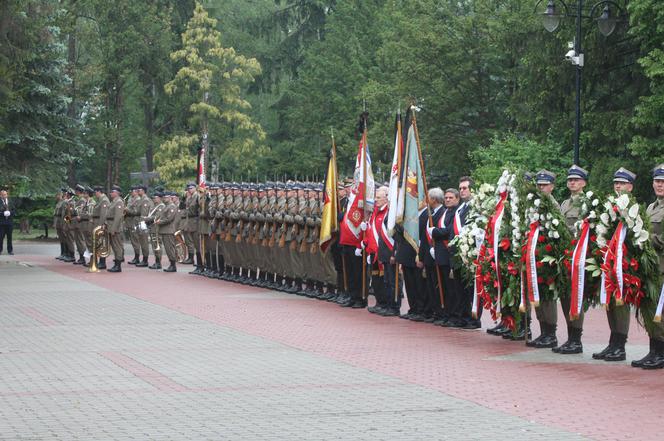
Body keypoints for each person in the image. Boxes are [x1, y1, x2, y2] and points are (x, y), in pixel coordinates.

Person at [592, 167, 637, 362]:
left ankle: (621, 345)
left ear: (630, 186)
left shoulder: (633, 208)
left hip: (625, 263)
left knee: (621, 302)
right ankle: (613, 342)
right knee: (610, 300)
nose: (618, 186)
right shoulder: (611, 208)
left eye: (622, 183)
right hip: (610, 261)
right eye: (616, 183)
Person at [554, 165, 589, 354]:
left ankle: (576, 339)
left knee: (576, 296)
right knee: (566, 296)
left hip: (577, 255)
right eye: (570, 180)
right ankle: (570, 337)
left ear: (583, 183)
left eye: (576, 180)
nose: (572, 183)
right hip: (564, 255)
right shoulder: (565, 203)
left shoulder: (586, 203)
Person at [633, 164, 664, 369]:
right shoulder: (652, 207)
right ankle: (653, 350)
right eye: (657, 181)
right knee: (650, 309)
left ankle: (661, 353)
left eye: (663, 182)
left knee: (660, 311)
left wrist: (645, 238)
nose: (660, 185)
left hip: (662, 266)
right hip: (650, 267)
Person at [526, 170, 561, 348]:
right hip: (534, 256)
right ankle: (543, 331)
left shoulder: (553, 205)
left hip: (548, 256)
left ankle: (551, 333)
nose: (541, 188)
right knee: (537, 293)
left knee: (548, 296)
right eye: (539, 185)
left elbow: (557, 232)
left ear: (552, 186)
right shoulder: (534, 205)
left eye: (544, 185)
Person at [156, 191, 178, 273]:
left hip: (168, 230)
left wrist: (160, 222)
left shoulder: (171, 206)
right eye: (164, 197)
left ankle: (173, 265)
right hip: (165, 230)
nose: (164, 199)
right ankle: (171, 264)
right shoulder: (167, 206)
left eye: (166, 197)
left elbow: (169, 218)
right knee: (168, 248)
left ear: (169, 197)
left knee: (170, 248)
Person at [106, 185, 126, 273]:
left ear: (117, 193)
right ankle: (116, 264)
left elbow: (118, 217)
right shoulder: (114, 201)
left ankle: (118, 266)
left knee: (117, 246)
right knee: (114, 246)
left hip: (116, 228)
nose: (111, 193)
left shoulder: (119, 202)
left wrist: (113, 229)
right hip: (111, 226)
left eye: (112, 192)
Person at [92, 186, 110, 269]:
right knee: (99, 242)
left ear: (99, 191)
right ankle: (100, 261)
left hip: (100, 224)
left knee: (102, 242)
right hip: (97, 223)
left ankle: (102, 262)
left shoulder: (104, 200)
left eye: (95, 192)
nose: (95, 194)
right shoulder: (101, 200)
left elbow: (103, 214)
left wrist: (100, 225)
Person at [0, 188, 15, 255]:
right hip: (1, 223)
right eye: (2, 195)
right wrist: (3, 213)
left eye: (5, 194)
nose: (4, 196)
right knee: (0, 237)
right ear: (0, 195)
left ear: (7, 195)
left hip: (9, 223)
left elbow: (14, 211)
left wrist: (10, 213)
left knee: (9, 237)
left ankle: (10, 250)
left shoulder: (10, 202)